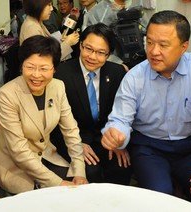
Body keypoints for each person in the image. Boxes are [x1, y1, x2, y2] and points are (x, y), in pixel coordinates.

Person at [101, 10, 191, 211]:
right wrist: (116, 134)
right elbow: (120, 119)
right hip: (149, 148)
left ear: (184, 47)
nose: (154, 51)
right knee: (160, 199)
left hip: (190, 149)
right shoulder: (135, 77)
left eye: (163, 45)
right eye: (149, 42)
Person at [0, 35, 88, 194]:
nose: (36, 75)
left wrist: (79, 172)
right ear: (21, 66)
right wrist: (58, 183)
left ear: (54, 69)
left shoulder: (57, 87)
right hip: (16, 167)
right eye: (30, 67)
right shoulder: (6, 95)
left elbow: (71, 131)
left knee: (84, 182)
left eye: (44, 69)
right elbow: (19, 151)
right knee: (54, 196)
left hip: (46, 156)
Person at [52, 23, 132, 184]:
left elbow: (123, 111)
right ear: (80, 46)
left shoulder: (116, 73)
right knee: (91, 171)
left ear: (108, 54)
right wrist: (76, 145)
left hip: (105, 137)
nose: (93, 57)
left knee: (122, 167)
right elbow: (54, 122)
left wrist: (117, 141)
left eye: (101, 53)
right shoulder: (61, 74)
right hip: (74, 138)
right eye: (88, 49)